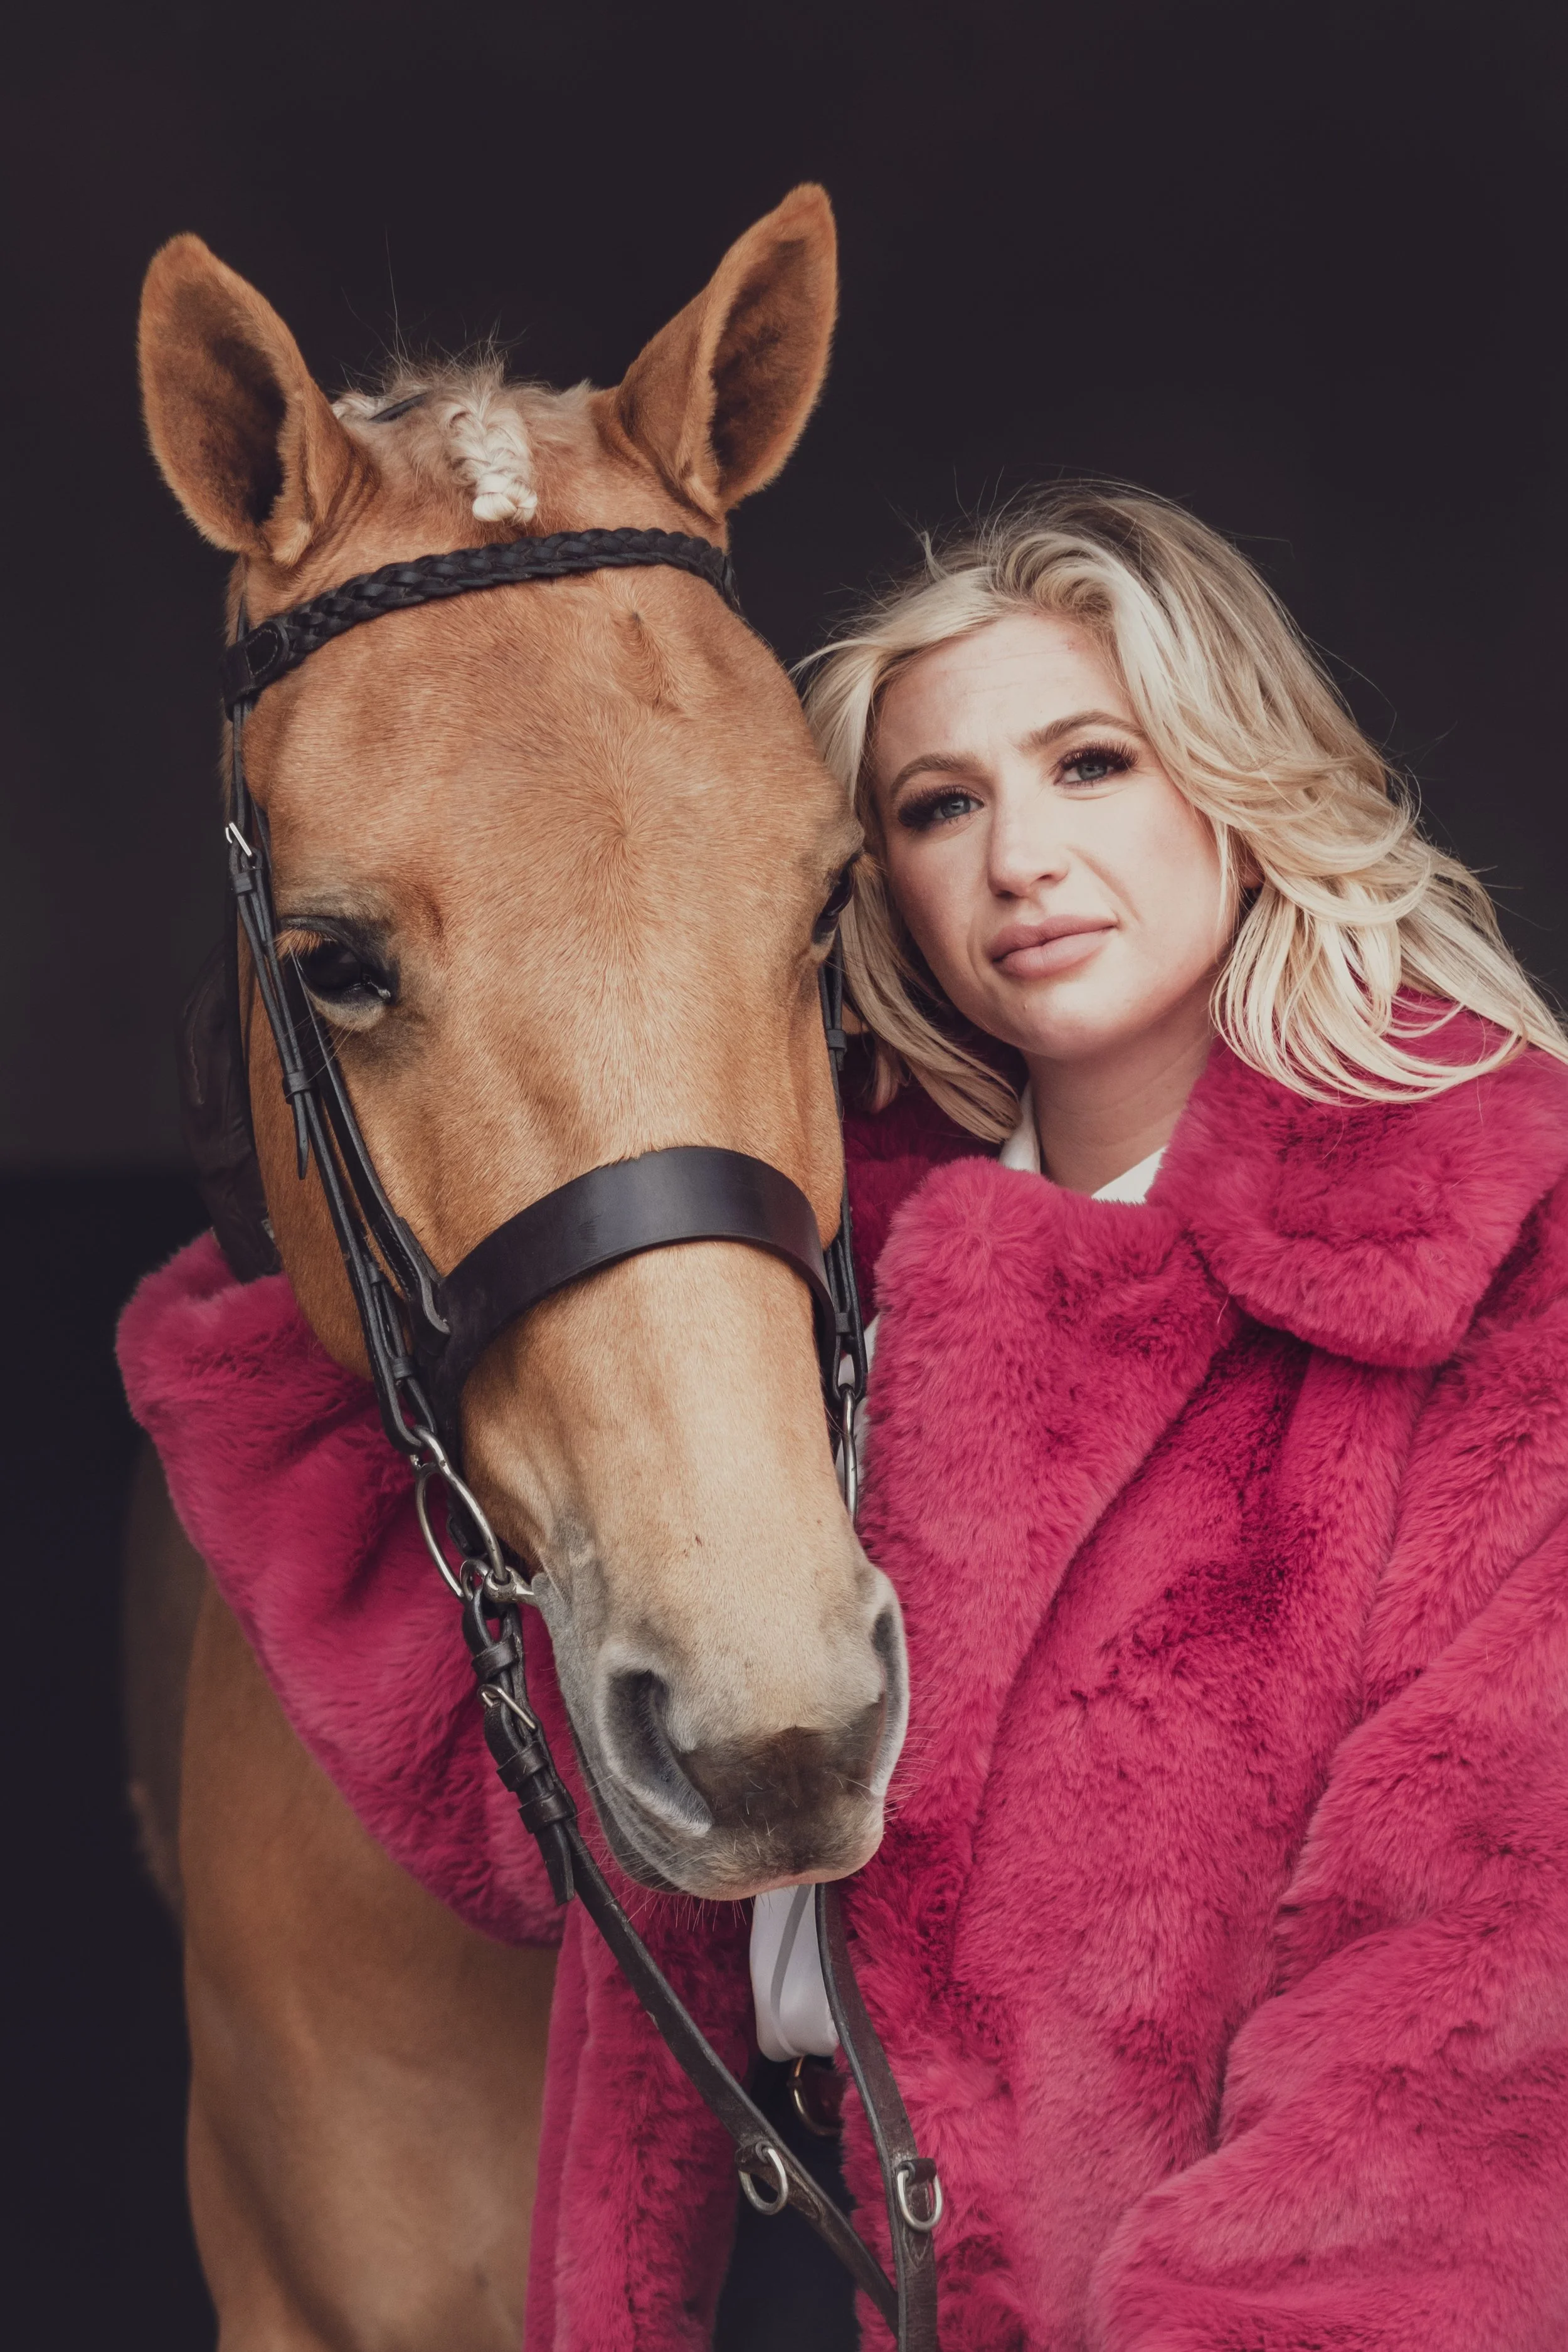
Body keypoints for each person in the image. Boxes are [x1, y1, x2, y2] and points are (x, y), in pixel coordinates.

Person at [123, 486, 1568, 2349]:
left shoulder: (1486, 1275)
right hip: (793, 2263)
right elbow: (527, 1808)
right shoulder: (820, 1275)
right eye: (938, 806)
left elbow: (1467, 1995)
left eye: (1088, 761)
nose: (1020, 856)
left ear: (1235, 774)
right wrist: (298, 1390)